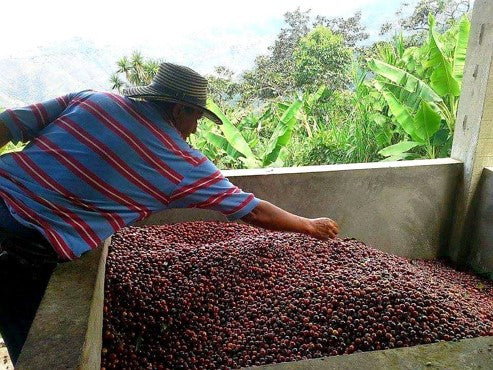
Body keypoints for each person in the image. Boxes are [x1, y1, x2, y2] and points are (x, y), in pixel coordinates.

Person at [0, 62, 339, 364]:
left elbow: (9, 124)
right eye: (195, 117)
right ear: (178, 109)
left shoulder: (94, 99)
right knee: (35, 344)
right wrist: (308, 225)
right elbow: (253, 212)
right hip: (28, 248)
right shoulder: (181, 162)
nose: (194, 128)